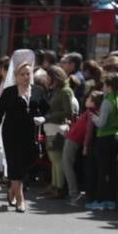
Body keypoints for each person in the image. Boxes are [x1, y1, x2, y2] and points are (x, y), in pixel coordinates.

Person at [0, 49, 45, 211]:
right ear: (16, 76)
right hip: (11, 134)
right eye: (22, 74)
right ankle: (21, 199)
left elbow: (46, 110)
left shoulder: (38, 91)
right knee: (15, 165)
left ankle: (12, 190)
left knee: (25, 164)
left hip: (29, 134)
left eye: (28, 74)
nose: (26, 77)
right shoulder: (9, 92)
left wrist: (43, 118)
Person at [88, 75, 118, 210]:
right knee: (112, 170)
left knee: (102, 171)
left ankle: (100, 200)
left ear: (109, 86)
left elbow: (101, 123)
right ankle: (111, 200)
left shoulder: (107, 101)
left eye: (104, 85)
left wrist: (94, 117)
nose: (103, 87)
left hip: (104, 137)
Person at [41, 64, 75, 198]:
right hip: (51, 128)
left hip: (58, 128)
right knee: (53, 159)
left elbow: (69, 113)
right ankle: (54, 185)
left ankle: (59, 187)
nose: (46, 79)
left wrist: (48, 116)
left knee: (57, 159)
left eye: (48, 76)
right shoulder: (56, 90)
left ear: (55, 77)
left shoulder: (65, 91)